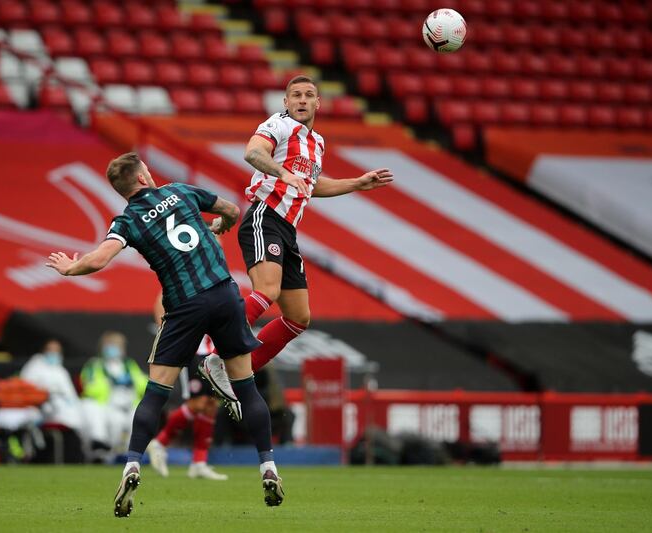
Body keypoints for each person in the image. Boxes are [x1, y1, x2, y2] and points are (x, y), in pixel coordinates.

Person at [45, 152, 284, 518]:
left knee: (156, 393)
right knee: (246, 386)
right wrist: (219, 224)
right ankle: (268, 467)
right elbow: (233, 210)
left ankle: (133, 465)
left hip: (183, 308)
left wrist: (70, 267)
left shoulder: (127, 221)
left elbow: (98, 259)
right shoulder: (182, 191)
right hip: (223, 294)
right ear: (142, 177)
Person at [201, 74, 393, 392]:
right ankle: (215, 352)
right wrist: (282, 173)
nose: (302, 100)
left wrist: (356, 183)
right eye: (296, 95)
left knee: (298, 317)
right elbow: (253, 153)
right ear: (286, 103)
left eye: (308, 95)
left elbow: (312, 186)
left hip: (287, 229)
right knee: (268, 290)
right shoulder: (278, 124)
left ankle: (232, 371)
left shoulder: (317, 142)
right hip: (265, 216)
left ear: (318, 102)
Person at [146, 292, 228, 481]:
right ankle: (160, 442)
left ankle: (199, 462)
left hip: (212, 352)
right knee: (198, 403)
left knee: (211, 406)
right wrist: (166, 331)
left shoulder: (212, 283)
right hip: (191, 351)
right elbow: (160, 301)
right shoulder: (183, 282)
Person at [80, 331, 148, 456]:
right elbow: (88, 387)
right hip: (106, 404)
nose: (113, 349)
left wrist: (131, 381)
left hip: (128, 404)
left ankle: (131, 458)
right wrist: (109, 382)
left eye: (117, 345)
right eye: (110, 345)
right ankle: (102, 456)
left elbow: (143, 384)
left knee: (137, 422)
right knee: (113, 425)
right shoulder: (95, 364)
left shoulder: (129, 364)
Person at [19, 339, 83, 434]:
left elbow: (70, 394)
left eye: (56, 351)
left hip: (62, 406)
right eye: (50, 350)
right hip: (40, 405)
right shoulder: (35, 365)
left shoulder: (61, 371)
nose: (53, 353)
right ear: (44, 351)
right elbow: (25, 386)